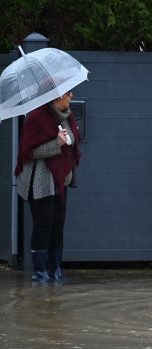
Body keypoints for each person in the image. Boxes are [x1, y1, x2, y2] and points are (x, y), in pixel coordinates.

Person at [14, 90, 80, 283]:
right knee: (44, 226)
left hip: (61, 179)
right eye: (68, 93)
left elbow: (73, 138)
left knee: (58, 225)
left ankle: (55, 270)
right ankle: (40, 273)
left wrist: (69, 139)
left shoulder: (67, 114)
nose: (71, 96)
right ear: (56, 97)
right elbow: (28, 152)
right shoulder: (36, 117)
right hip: (41, 180)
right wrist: (57, 143)